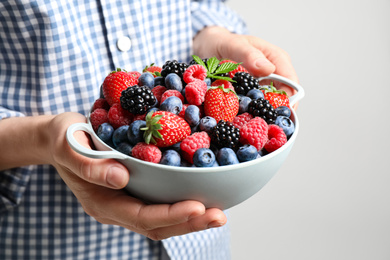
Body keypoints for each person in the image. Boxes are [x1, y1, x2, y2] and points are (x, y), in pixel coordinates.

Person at [0, 0, 298, 259]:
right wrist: (41, 139)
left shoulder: (209, 109)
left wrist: (210, 33)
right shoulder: (136, 119)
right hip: (52, 239)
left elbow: (203, 3)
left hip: (199, 246)